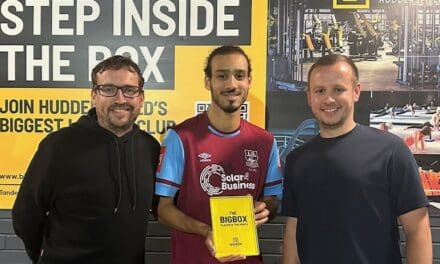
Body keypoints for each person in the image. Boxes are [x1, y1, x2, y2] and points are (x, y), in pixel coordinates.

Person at [281, 54, 432, 264]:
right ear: (309, 97)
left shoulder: (391, 151)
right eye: (319, 91)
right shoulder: (297, 160)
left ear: (356, 92)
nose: (328, 99)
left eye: (338, 89)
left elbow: (417, 228)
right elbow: (293, 229)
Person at [12, 55, 160, 263]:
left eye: (129, 90)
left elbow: (164, 207)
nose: (120, 99)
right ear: (93, 95)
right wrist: (43, 254)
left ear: (141, 98)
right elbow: (25, 214)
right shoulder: (59, 145)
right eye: (108, 89)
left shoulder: (150, 147)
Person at [155, 45, 283, 264]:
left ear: (249, 81)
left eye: (239, 76)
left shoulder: (265, 142)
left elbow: (272, 201)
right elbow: (163, 209)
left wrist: (265, 210)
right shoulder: (180, 138)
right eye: (222, 76)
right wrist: (206, 231)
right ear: (208, 82)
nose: (231, 84)